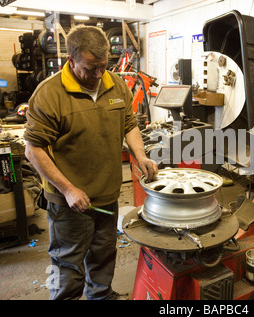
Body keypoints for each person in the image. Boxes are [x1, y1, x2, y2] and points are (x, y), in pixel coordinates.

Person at [24, 25, 158, 300]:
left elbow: (129, 124)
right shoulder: (49, 94)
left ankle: (101, 295)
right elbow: (33, 150)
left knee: (104, 253)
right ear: (71, 61)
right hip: (70, 203)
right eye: (90, 68)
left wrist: (140, 155)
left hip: (107, 195)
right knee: (68, 262)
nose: (98, 75)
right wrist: (68, 189)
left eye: (103, 66)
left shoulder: (115, 82)